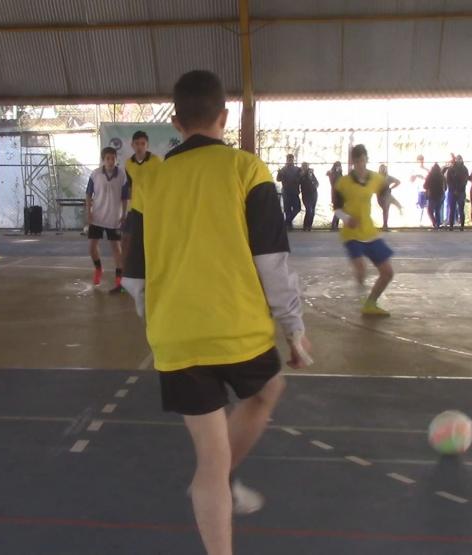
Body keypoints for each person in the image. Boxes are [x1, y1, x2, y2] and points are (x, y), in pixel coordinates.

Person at [121, 70, 312, 555]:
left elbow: (134, 276)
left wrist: (157, 321)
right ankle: (219, 482)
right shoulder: (248, 170)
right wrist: (294, 329)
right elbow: (272, 263)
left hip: (176, 337)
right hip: (239, 331)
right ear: (224, 117)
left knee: (210, 454)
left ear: (176, 121)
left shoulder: (152, 180)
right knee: (268, 389)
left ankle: (216, 487)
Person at [333, 144, 396, 316]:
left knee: (388, 272)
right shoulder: (343, 183)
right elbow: (337, 208)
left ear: (367, 159)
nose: (360, 164)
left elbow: (385, 194)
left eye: (363, 160)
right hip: (351, 234)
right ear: (353, 162)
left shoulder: (376, 178)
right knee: (361, 270)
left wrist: (394, 202)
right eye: (357, 161)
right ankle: (361, 295)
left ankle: (370, 303)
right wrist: (347, 219)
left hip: (369, 232)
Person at [86, 147, 130, 293]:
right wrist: (89, 212)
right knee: (92, 247)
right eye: (108, 159)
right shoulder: (95, 174)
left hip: (114, 218)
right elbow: (88, 195)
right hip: (97, 217)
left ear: (116, 159)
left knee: (116, 249)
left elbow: (125, 198)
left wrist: (124, 214)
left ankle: (119, 280)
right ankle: (98, 269)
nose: (111, 161)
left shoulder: (122, 175)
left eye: (113, 158)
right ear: (103, 160)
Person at [123, 130, 162, 257]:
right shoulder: (128, 163)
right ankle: (131, 268)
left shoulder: (156, 161)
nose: (140, 146)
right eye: (137, 143)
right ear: (132, 145)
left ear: (147, 145)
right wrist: (126, 208)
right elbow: (130, 185)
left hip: (152, 207)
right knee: (130, 239)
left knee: (152, 239)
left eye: (142, 143)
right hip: (135, 208)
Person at [277, 154, 302, 230]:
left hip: (295, 191)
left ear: (293, 160)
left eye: (291, 159)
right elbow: (278, 179)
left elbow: (301, 179)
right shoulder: (283, 169)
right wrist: (279, 173)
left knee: (297, 208)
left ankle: (286, 222)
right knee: (287, 209)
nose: (290, 161)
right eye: (288, 159)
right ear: (287, 160)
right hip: (286, 191)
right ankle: (289, 226)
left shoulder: (297, 169)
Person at [446, 155, 470, 231]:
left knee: (461, 209)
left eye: (460, 159)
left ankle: (462, 226)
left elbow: (465, 181)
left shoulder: (464, 169)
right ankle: (451, 226)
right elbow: (448, 181)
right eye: (457, 159)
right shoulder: (451, 169)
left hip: (461, 192)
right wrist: (453, 190)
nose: (458, 160)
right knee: (451, 209)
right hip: (452, 192)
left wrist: (458, 189)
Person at [377, 164, 402, 231]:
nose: (382, 170)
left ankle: (385, 225)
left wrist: (391, 188)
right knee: (386, 208)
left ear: (386, 170)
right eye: (381, 169)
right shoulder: (376, 177)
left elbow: (398, 182)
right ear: (379, 170)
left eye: (384, 168)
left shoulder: (388, 178)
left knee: (386, 208)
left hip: (387, 195)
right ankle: (399, 207)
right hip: (380, 196)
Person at [410, 155, 430, 226]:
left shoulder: (427, 170)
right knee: (418, 205)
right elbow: (411, 180)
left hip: (424, 190)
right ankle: (418, 222)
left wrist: (423, 178)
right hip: (417, 190)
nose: (421, 162)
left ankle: (423, 222)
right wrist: (416, 176)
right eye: (419, 161)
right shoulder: (414, 170)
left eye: (422, 160)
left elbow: (429, 180)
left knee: (425, 206)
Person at [425, 163, 445, 230]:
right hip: (440, 195)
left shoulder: (430, 176)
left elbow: (425, 186)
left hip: (432, 195)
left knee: (430, 211)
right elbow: (445, 187)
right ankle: (438, 225)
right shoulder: (441, 176)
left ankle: (435, 223)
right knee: (437, 211)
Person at [300, 162, 318, 231]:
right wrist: (302, 175)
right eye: (304, 166)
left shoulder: (311, 173)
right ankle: (305, 226)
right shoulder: (300, 174)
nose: (305, 167)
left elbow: (317, 183)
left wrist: (312, 180)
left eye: (306, 166)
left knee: (312, 211)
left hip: (313, 194)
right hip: (306, 195)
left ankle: (309, 226)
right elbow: (298, 181)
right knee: (309, 209)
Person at [327, 161, 343, 231]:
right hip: (336, 194)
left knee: (339, 209)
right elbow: (334, 182)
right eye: (337, 166)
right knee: (338, 209)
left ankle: (335, 225)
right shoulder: (333, 174)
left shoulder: (339, 174)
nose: (339, 167)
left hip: (340, 193)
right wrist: (337, 173)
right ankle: (333, 225)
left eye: (339, 166)